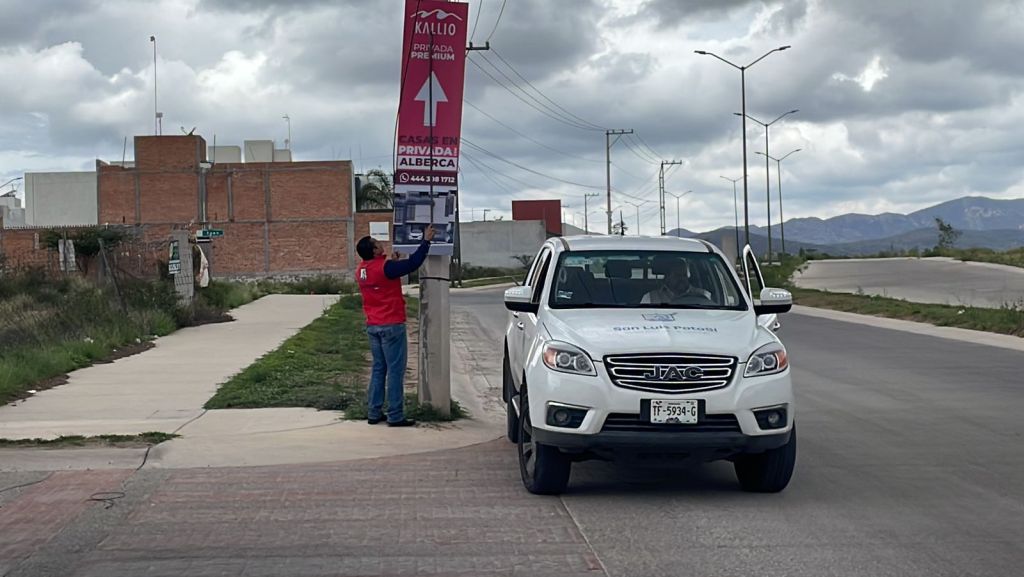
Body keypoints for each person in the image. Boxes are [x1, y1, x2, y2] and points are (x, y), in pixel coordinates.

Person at [355, 225, 436, 427]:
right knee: (395, 371)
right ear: (374, 251)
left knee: (378, 369)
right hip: (391, 324)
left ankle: (374, 412)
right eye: (377, 244)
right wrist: (426, 241)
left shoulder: (361, 270)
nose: (380, 244)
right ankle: (395, 415)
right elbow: (414, 263)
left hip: (373, 325)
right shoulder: (386, 268)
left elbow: (382, 279)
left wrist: (393, 262)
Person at [641, 258, 712, 305]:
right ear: (667, 277)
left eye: (684, 275)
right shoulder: (650, 297)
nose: (681, 279)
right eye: (677, 275)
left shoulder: (703, 295)